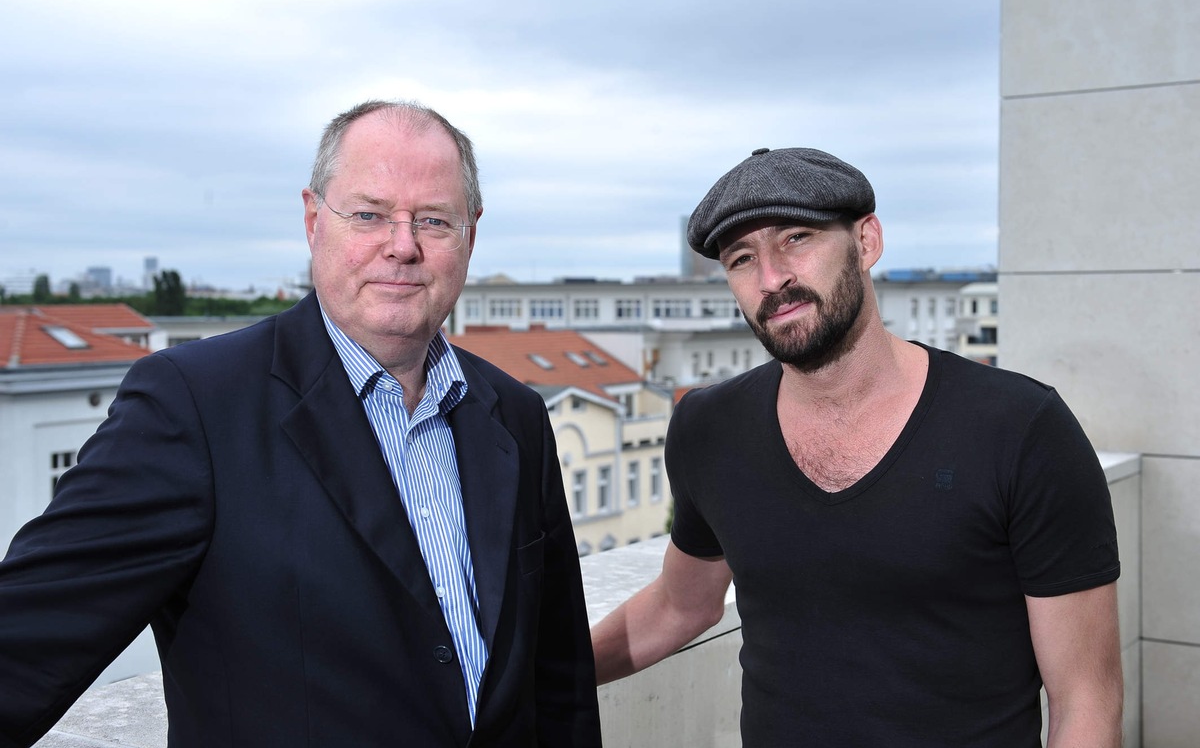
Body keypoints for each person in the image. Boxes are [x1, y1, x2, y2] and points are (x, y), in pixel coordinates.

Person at [0, 100, 602, 747]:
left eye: (433, 219)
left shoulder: (515, 414)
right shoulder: (195, 405)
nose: (402, 246)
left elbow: (558, 675)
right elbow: (25, 644)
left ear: (470, 236)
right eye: (369, 214)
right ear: (315, 221)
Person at [591, 147, 1123, 747]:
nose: (772, 278)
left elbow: (1085, 700)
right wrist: (531, 678)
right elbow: (679, 607)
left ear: (867, 242)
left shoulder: (1021, 428)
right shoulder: (708, 427)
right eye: (743, 258)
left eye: (797, 238)